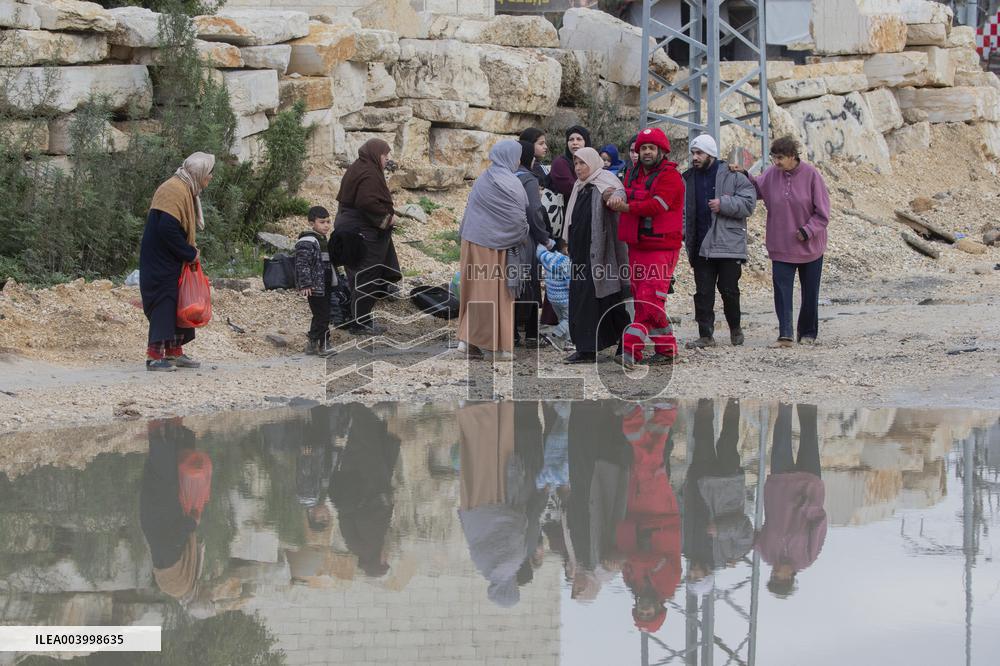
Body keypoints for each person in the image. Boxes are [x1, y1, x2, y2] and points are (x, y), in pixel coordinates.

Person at [732, 136, 830, 347]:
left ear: (793, 156)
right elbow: (757, 188)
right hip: (781, 245)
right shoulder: (772, 174)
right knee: (782, 292)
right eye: (774, 157)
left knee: (810, 292)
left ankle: (808, 333)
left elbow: (823, 214)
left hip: (810, 246)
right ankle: (785, 335)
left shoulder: (812, 176)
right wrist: (743, 174)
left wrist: (808, 230)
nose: (776, 162)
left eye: (780, 158)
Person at [608, 127, 685, 367]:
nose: (647, 152)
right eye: (643, 148)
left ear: (662, 151)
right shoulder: (631, 174)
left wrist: (626, 208)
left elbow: (656, 206)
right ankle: (667, 349)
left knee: (648, 300)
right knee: (647, 300)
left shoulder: (671, 177)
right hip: (637, 246)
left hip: (662, 248)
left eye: (651, 148)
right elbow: (626, 195)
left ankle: (631, 351)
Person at [140, 152, 214, 371]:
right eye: (208, 174)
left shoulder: (185, 188)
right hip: (160, 260)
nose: (209, 179)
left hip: (169, 259)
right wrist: (188, 253)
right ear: (198, 173)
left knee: (178, 301)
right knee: (165, 302)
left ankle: (174, 351)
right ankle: (154, 356)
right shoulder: (174, 189)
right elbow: (167, 228)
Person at [457, 141, 530, 361]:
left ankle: (469, 342)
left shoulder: (483, 178)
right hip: (493, 246)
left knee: (474, 292)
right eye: (517, 156)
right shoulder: (510, 182)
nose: (518, 161)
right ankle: (493, 347)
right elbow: (518, 221)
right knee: (492, 292)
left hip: (471, 241)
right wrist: (523, 232)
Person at [683, 134, 757, 349]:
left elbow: (749, 204)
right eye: (693, 153)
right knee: (703, 293)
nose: (695, 158)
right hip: (700, 245)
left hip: (728, 244)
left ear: (711, 155)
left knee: (729, 290)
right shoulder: (687, 178)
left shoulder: (733, 176)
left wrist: (723, 203)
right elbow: (683, 210)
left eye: (699, 153)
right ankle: (706, 335)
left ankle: (735, 329)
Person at [617, 403, 681, 633]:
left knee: (647, 463)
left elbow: (624, 556)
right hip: (659, 516)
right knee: (647, 466)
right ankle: (632, 417)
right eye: (648, 613)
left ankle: (665, 413)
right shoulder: (668, 585)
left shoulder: (632, 584)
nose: (644, 609)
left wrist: (621, 556)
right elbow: (654, 560)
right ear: (658, 609)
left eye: (640, 612)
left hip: (636, 516)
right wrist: (626, 558)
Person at [563, 146, 630, 364]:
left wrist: (615, 198)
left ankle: (627, 342)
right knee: (582, 301)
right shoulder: (579, 186)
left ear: (592, 162)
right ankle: (586, 349)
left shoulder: (604, 180)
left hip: (602, 255)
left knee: (609, 298)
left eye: (583, 163)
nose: (579, 167)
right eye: (576, 163)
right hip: (580, 255)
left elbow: (616, 192)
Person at [756, 403, 827, 598]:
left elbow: (750, 537)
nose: (775, 571)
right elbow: (820, 523)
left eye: (772, 574)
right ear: (789, 577)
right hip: (808, 487)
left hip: (780, 485)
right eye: (778, 576)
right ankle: (808, 400)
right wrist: (806, 505)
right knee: (809, 438)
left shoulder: (766, 554)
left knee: (780, 441)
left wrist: (730, 549)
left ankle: (785, 404)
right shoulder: (807, 558)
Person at [334, 138, 402, 336]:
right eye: (385, 155)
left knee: (357, 274)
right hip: (361, 231)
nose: (387, 159)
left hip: (348, 226)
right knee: (368, 273)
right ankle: (360, 322)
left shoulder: (358, 167)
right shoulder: (370, 173)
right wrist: (387, 219)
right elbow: (366, 202)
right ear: (375, 154)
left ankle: (356, 317)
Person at [140, 418, 211, 603]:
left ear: (181, 577)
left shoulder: (169, 557)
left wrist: (192, 523)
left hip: (162, 500)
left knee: (166, 455)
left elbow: (179, 533)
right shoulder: (162, 561)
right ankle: (169, 420)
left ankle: (162, 417)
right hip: (157, 504)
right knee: (172, 454)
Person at [683, 399, 753, 583]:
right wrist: (720, 529)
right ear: (706, 577)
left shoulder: (686, 550)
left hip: (700, 484)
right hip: (727, 487)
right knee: (728, 441)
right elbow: (745, 528)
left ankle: (705, 402)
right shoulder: (732, 555)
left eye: (689, 576)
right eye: (695, 578)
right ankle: (734, 401)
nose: (691, 573)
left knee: (702, 439)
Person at [329, 404, 400, 577]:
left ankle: (362, 404)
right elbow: (345, 516)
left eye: (385, 561)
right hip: (353, 479)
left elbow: (367, 517)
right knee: (361, 440)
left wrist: (385, 502)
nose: (387, 556)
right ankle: (362, 406)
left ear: (379, 561)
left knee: (366, 438)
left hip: (368, 480)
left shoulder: (371, 543)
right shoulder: (355, 546)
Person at [515, 140, 555, 349]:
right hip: (527, 239)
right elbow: (533, 211)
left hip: (505, 239)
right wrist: (544, 238)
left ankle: (511, 332)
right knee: (530, 283)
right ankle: (531, 333)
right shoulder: (529, 179)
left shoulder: (501, 176)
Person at [295, 206, 337, 356]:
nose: (326, 225)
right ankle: (324, 344)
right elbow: (302, 264)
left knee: (320, 314)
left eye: (328, 222)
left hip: (324, 284)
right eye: (322, 222)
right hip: (314, 286)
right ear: (312, 223)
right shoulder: (307, 241)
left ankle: (312, 344)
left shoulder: (322, 239)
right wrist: (305, 284)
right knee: (323, 315)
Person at [536, 238, 572, 351]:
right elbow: (569, 282)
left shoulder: (547, 257)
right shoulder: (566, 261)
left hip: (552, 297)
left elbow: (539, 250)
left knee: (562, 319)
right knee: (569, 319)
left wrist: (548, 242)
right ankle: (553, 336)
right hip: (564, 298)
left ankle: (567, 342)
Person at [548, 125, 592, 200]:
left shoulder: (593, 162)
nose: (575, 143)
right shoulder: (560, 163)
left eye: (579, 139)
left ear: (586, 141)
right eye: (571, 139)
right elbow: (570, 189)